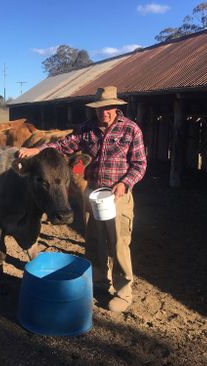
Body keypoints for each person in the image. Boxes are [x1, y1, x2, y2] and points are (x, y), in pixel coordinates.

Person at [17, 86, 147, 312]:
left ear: (116, 107)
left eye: (107, 108)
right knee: (94, 239)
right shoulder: (87, 129)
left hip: (119, 195)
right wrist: (37, 151)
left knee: (118, 242)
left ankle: (123, 292)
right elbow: (62, 145)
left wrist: (125, 183)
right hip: (93, 192)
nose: (103, 112)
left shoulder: (130, 130)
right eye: (99, 108)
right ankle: (98, 281)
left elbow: (140, 164)